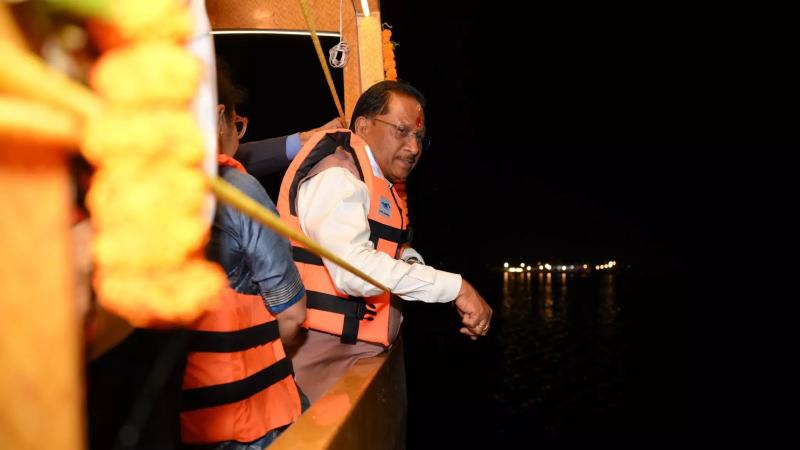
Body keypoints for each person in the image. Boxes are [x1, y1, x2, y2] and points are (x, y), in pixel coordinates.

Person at [275, 80, 493, 403]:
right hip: (319, 360)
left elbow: (381, 248)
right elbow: (353, 270)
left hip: (352, 356)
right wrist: (457, 288)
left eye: (419, 137)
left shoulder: (372, 178)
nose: (414, 148)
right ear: (363, 127)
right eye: (402, 131)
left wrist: (410, 260)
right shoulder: (336, 176)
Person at [178, 67, 307, 450]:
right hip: (249, 421)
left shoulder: (138, 192)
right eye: (238, 124)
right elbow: (292, 313)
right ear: (219, 117)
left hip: (182, 419)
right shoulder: (239, 190)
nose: (239, 135)